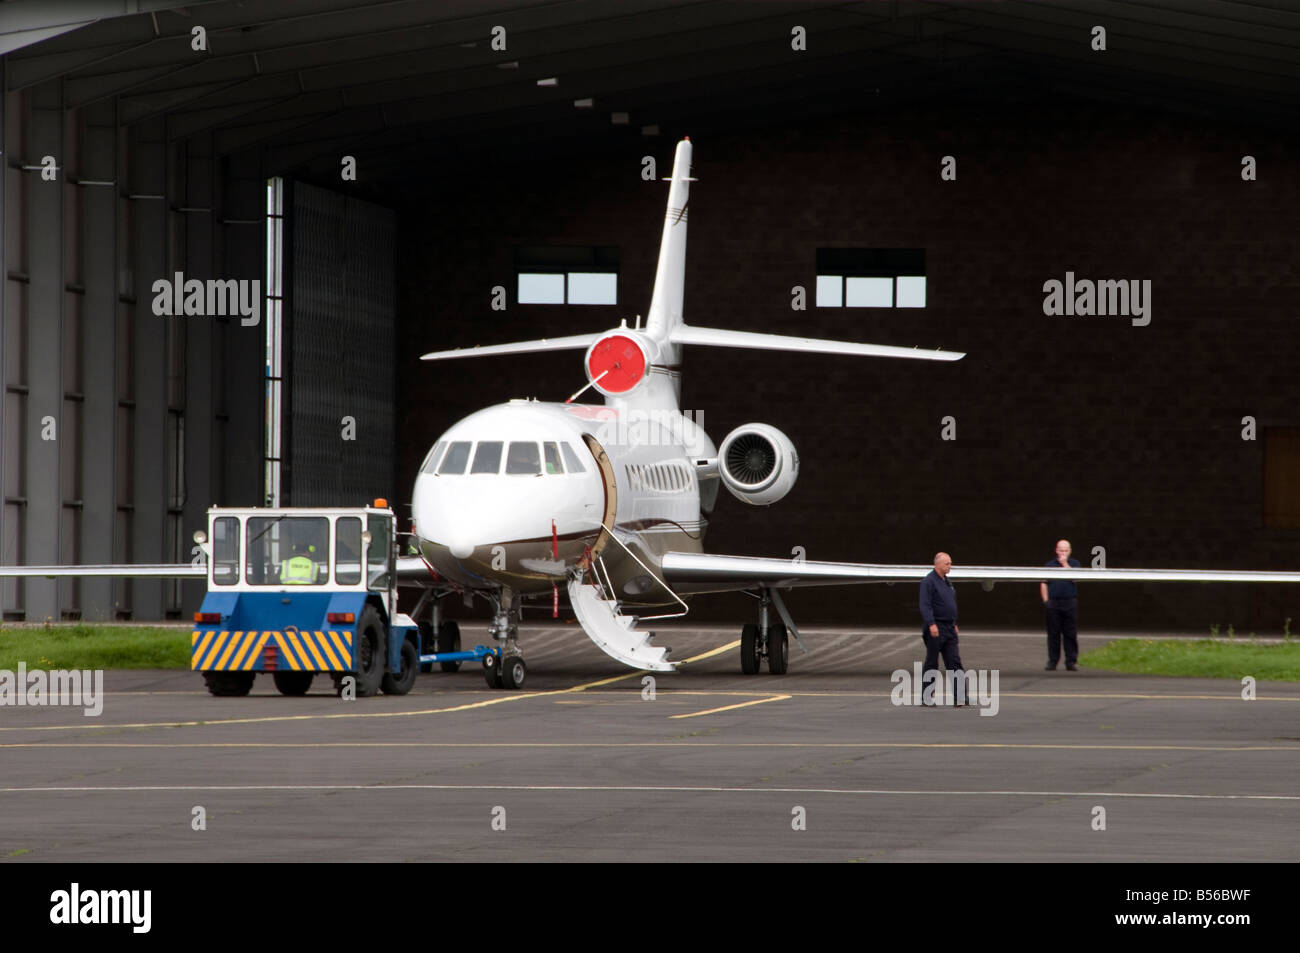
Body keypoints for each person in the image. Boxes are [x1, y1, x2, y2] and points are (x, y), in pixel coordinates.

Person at [919, 552, 966, 704]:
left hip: (949, 627)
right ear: (937, 564)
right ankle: (927, 696)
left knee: (954, 661)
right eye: (947, 564)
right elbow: (925, 605)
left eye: (950, 563)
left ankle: (960, 696)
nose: (950, 566)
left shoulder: (947, 581)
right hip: (936, 627)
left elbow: (950, 604)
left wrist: (954, 623)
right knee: (932, 662)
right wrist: (931, 623)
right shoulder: (928, 582)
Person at [1040, 539, 1081, 670]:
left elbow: (1075, 578)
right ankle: (1052, 661)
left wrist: (1065, 564)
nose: (1063, 553)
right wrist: (1046, 601)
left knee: (1070, 633)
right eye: (1061, 550)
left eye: (1066, 550)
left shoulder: (1075, 564)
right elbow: (1043, 583)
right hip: (1053, 603)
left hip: (1069, 602)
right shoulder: (1049, 565)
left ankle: (1071, 661)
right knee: (1053, 633)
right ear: (1056, 550)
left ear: (1070, 551)